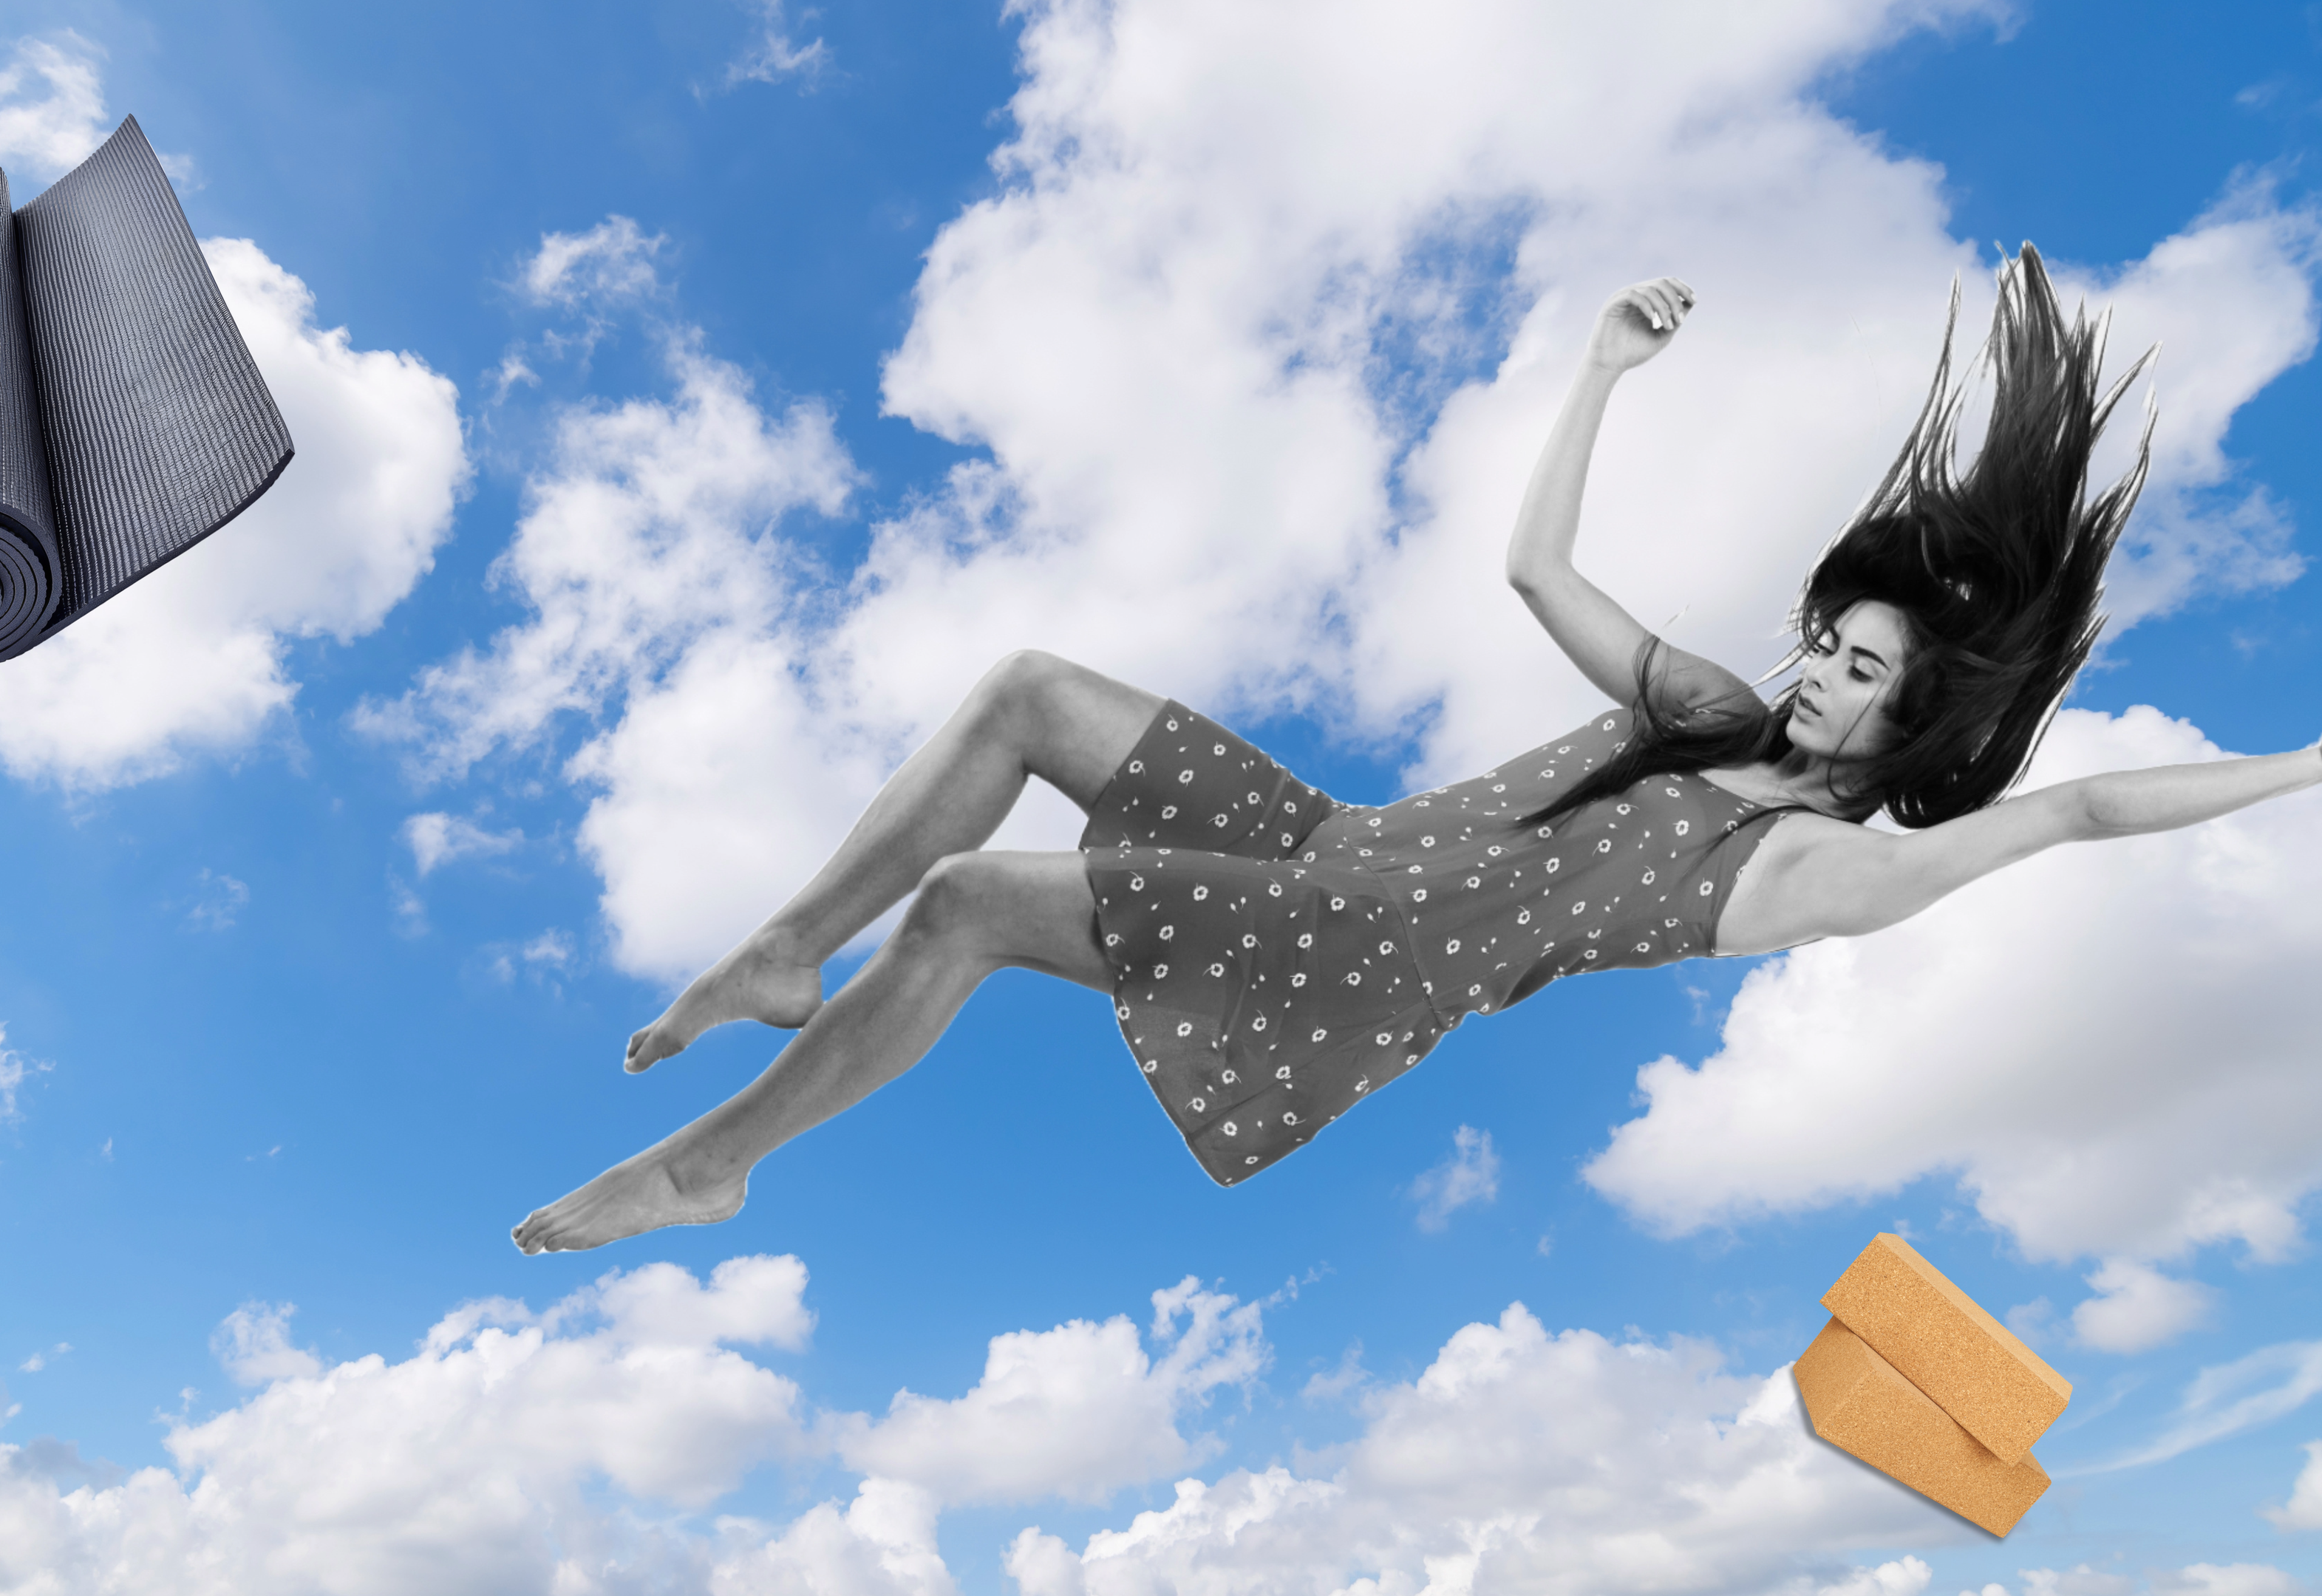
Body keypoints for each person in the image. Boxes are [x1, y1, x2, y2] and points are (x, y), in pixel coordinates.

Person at [512, 245, 2322, 1256]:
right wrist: (1602, 371)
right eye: (1827, 642)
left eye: (1857, 673)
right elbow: (1535, 569)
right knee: (1031, 686)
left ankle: (716, 1158)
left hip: (1371, 959)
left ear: (1911, 723)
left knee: (977, 903)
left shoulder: (1824, 870)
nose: (1819, 675)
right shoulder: (1706, 711)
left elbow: (2083, 804)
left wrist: (2308, 767)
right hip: (1338, 849)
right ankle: (779, 946)